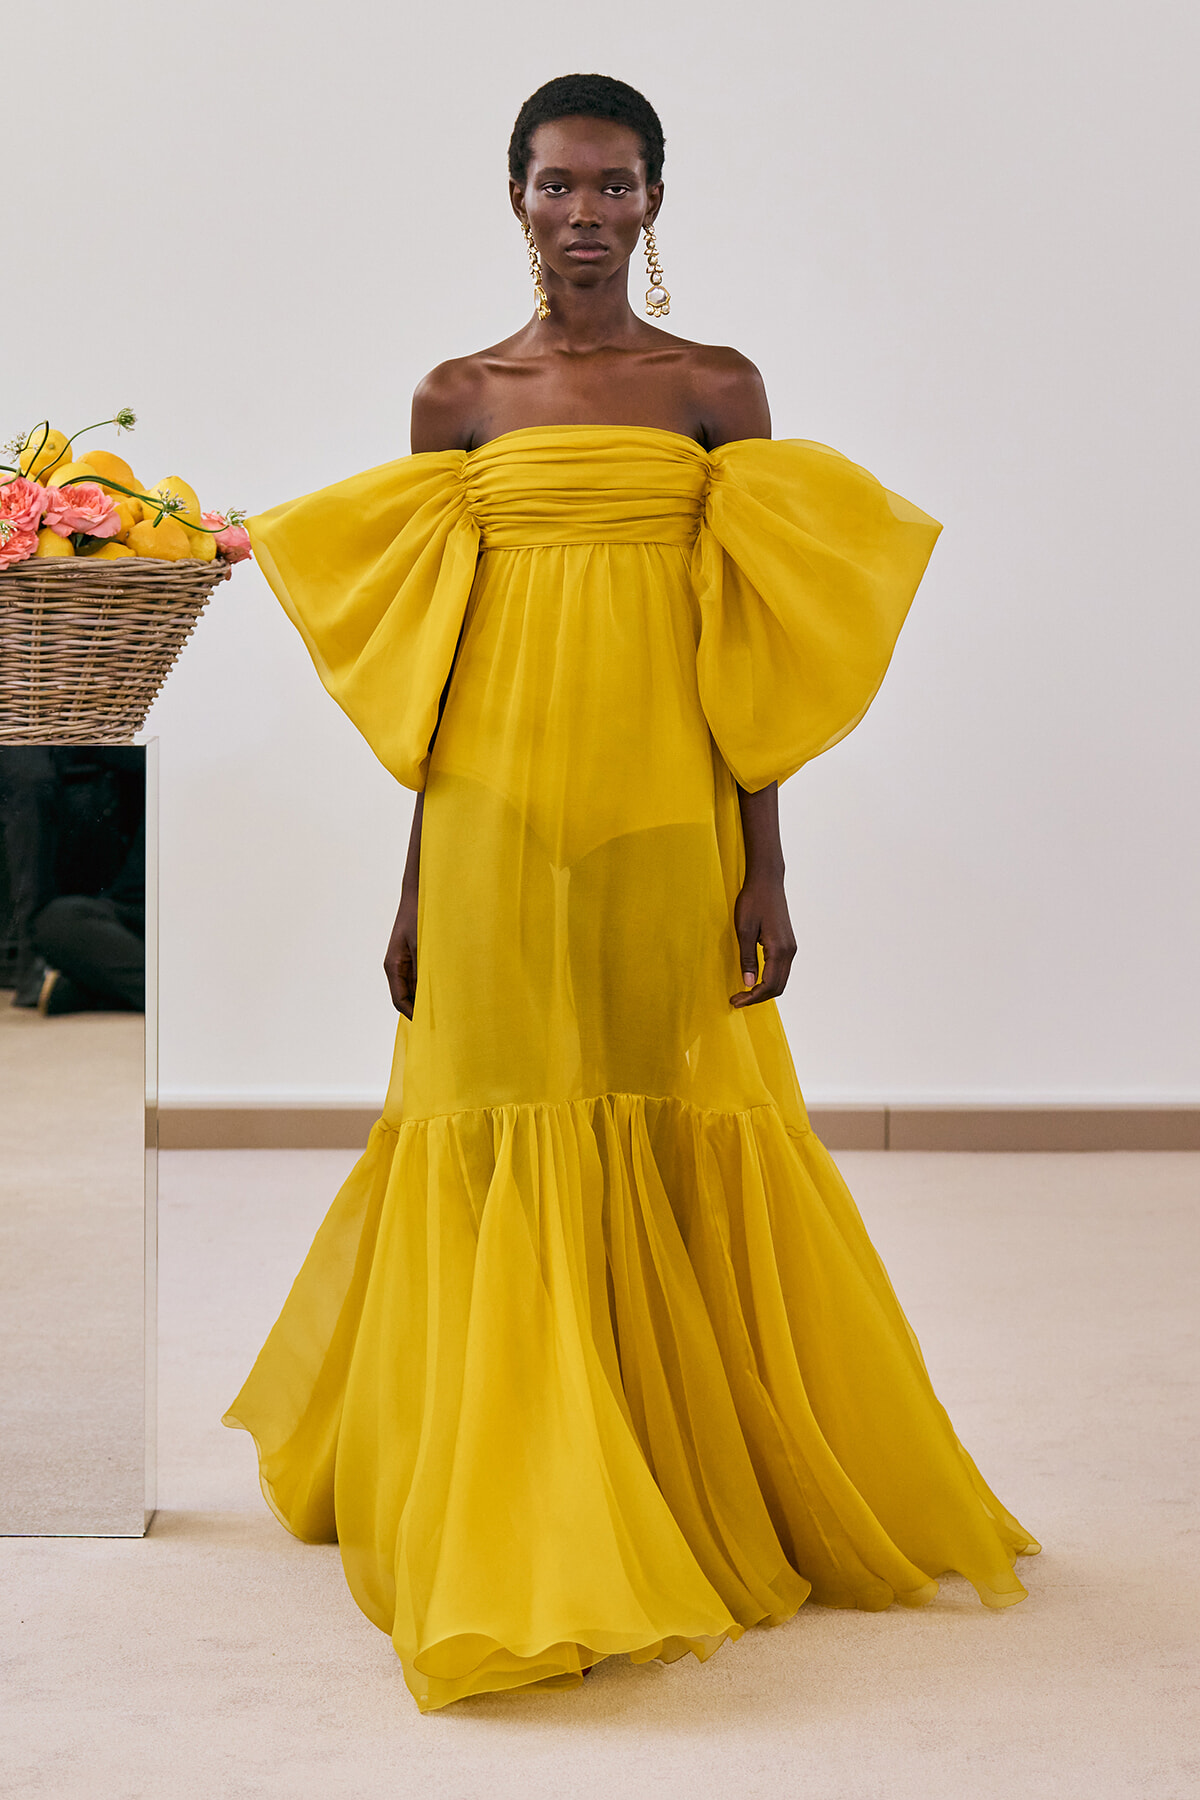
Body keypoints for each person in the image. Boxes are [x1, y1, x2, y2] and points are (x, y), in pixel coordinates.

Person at [226, 73, 1038, 1713]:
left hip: (668, 809)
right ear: (512, 199)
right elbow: (435, 668)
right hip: (491, 820)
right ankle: (516, 1488)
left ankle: (677, 1469)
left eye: (612, 187)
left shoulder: (714, 388)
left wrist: (768, 857)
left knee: (666, 1104)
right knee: (502, 1110)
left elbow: (751, 637)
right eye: (553, 186)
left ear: (656, 201)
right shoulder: (457, 397)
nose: (582, 215)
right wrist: (411, 882)